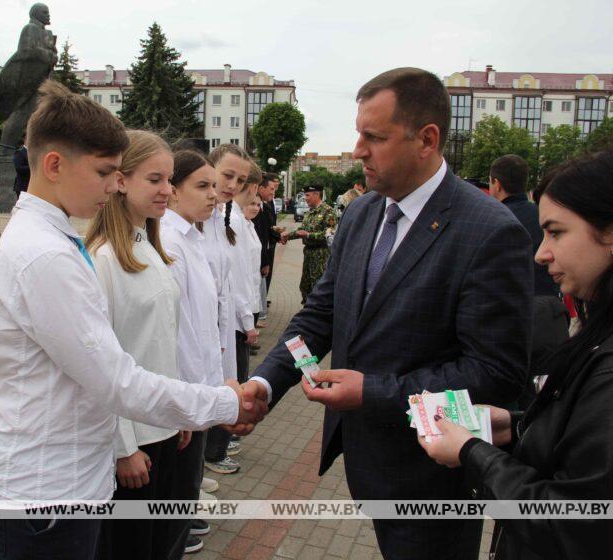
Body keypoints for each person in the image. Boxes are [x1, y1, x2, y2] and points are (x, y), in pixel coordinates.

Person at [241, 67, 534, 560]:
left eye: (373, 137)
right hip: (364, 460)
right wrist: (266, 383)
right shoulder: (362, 212)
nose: (358, 150)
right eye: (359, 133)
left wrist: (372, 393)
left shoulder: (489, 231)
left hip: (430, 478)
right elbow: (319, 314)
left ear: (427, 139)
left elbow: (496, 374)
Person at [0, 81, 266, 560]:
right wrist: (222, 404)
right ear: (54, 165)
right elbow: (117, 380)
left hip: (64, 481)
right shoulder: (45, 255)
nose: (114, 185)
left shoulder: (55, 239)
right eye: (105, 171)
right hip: (45, 492)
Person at [420, 151, 613, 560]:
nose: (541, 254)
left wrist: (471, 453)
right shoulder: (597, 331)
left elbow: (574, 521)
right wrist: (514, 426)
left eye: (556, 233)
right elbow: (583, 445)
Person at [87, 130, 188, 560]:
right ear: (122, 181)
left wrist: (181, 408)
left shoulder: (150, 248)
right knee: (129, 548)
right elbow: (99, 363)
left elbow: (165, 339)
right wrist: (123, 446)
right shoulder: (105, 259)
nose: (168, 189)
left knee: (156, 545)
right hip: (134, 440)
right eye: (155, 179)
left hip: (163, 424)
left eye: (169, 179)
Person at [160, 149, 224, 555]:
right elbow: (176, 332)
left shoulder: (190, 234)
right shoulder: (170, 240)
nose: (214, 195)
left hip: (198, 390)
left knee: (186, 486)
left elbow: (203, 322)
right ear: (174, 191)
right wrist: (189, 398)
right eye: (202, 186)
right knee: (176, 490)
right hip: (184, 393)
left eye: (214, 186)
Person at [489, 154, 569, 406]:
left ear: (496, 183)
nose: (541, 255)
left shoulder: (491, 220)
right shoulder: (540, 214)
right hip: (553, 317)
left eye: (555, 234)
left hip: (512, 322)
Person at [202, 143, 256, 475]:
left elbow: (231, 281)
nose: (233, 185)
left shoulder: (219, 219)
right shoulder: (198, 221)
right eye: (227, 175)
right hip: (208, 331)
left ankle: (194, 478)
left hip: (222, 329)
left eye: (240, 179)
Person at [280, 186, 336, 303]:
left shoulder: (328, 211)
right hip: (308, 254)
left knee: (318, 287)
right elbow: (301, 230)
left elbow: (329, 236)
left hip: (321, 255)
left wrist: (309, 235)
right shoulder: (310, 212)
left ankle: (318, 315)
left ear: (316, 195)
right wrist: (287, 236)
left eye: (307, 195)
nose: (305, 198)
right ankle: (307, 311)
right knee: (305, 286)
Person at [253, 173, 280, 328]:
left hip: (263, 256)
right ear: (261, 188)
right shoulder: (256, 208)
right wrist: (265, 262)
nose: (273, 192)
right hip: (258, 259)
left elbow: (265, 233)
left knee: (259, 293)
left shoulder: (265, 205)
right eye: (271, 188)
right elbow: (259, 240)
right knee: (255, 295)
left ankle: (254, 325)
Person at [244, 193, 264, 351]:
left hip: (253, 287)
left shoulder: (251, 225)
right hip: (244, 292)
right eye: (252, 204)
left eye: (258, 205)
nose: (256, 208)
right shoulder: (238, 226)